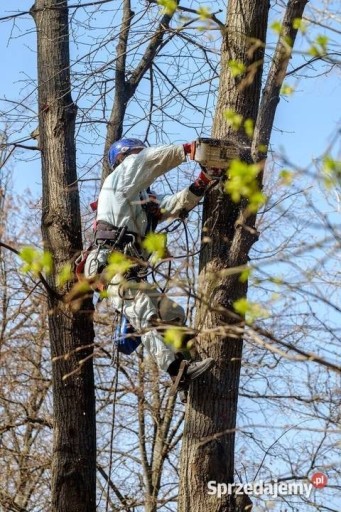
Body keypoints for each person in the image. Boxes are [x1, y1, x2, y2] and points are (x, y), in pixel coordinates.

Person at [86, 138, 216, 399]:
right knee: (143, 309)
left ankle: (189, 367)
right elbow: (148, 161)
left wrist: (202, 182)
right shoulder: (118, 180)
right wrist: (187, 151)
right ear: (124, 158)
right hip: (112, 263)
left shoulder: (141, 198)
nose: (142, 155)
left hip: (130, 268)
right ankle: (176, 370)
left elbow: (173, 206)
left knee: (172, 312)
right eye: (136, 153)